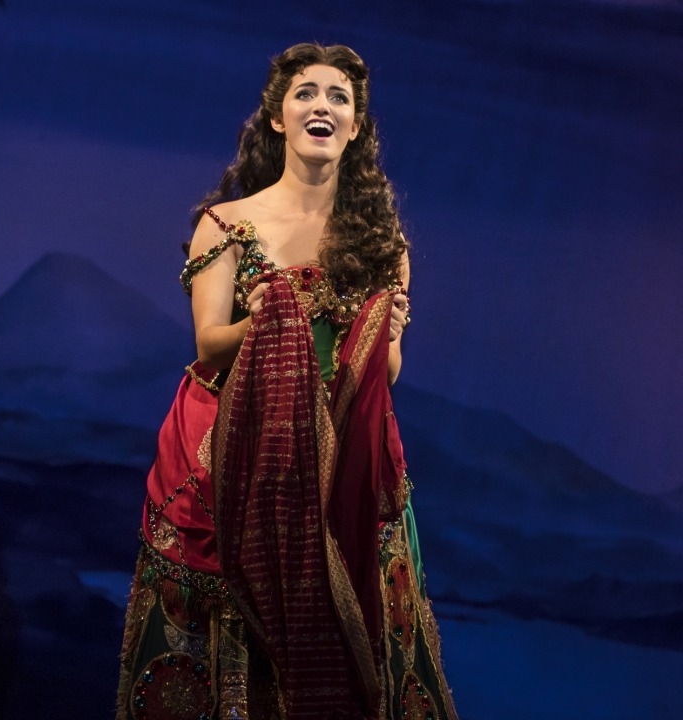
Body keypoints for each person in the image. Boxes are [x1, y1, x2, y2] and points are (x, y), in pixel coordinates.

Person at [115, 43, 459, 720]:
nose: (321, 106)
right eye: (306, 92)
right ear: (278, 118)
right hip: (237, 455)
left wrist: (381, 333)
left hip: (344, 463)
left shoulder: (382, 243)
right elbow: (209, 344)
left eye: (339, 97)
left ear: (356, 127)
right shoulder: (229, 223)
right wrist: (274, 318)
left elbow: (388, 371)